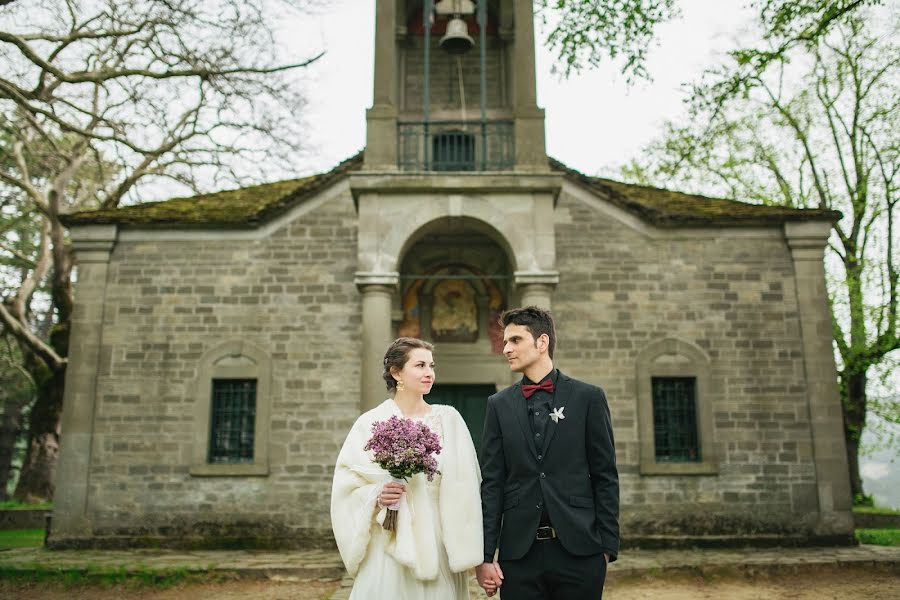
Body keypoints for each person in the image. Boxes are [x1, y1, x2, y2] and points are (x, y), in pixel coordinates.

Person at [476, 306, 619, 599]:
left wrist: (607, 547)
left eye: (515, 340)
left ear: (542, 343)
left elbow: (605, 476)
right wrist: (487, 555)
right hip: (519, 556)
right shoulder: (498, 405)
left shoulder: (588, 398)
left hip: (580, 551)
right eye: (505, 342)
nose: (506, 349)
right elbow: (492, 483)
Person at [331, 337, 488, 599]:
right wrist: (377, 496)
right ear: (396, 372)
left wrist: (471, 552)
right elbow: (346, 484)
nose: (429, 373)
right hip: (388, 543)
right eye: (420, 365)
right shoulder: (369, 423)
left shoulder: (449, 419)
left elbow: (465, 487)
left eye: (431, 365)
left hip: (436, 542)